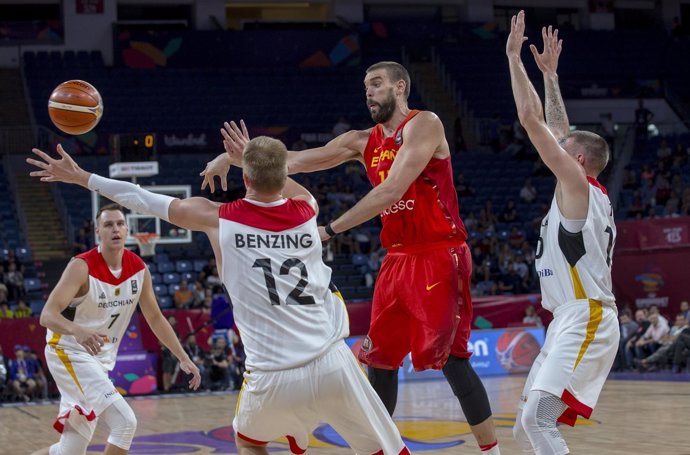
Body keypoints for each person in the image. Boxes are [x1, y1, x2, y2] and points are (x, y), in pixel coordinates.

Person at [28, 137, 409, 455]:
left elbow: (139, 198)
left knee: (249, 440)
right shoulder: (307, 208)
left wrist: (82, 177)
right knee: (383, 449)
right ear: (284, 173)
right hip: (333, 362)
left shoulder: (218, 217)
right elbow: (281, 178)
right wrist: (238, 154)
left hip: (272, 375)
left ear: (245, 176)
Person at [206, 62, 501, 454]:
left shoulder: (424, 123)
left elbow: (392, 189)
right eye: (365, 86)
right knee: (380, 361)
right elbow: (293, 161)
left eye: (376, 84)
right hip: (396, 259)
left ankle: (492, 451)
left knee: (452, 359)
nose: (369, 92)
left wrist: (328, 229)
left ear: (400, 87)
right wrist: (240, 158)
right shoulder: (362, 141)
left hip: (438, 252)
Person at [507, 13, 619, 455]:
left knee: (538, 419)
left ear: (577, 161)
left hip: (585, 314)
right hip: (569, 317)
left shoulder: (575, 186)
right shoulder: (581, 186)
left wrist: (515, 59)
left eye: (565, 148)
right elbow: (557, 128)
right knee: (524, 426)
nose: (558, 144)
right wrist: (550, 76)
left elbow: (531, 121)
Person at [26, 203, 201, 455]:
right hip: (67, 351)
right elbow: (47, 315)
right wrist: (78, 330)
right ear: (98, 231)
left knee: (70, 451)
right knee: (125, 422)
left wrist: (183, 357)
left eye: (120, 224)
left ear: (128, 230)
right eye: (108, 224)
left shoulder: (138, 268)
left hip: (98, 360)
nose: (115, 229)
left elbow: (155, 317)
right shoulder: (81, 266)